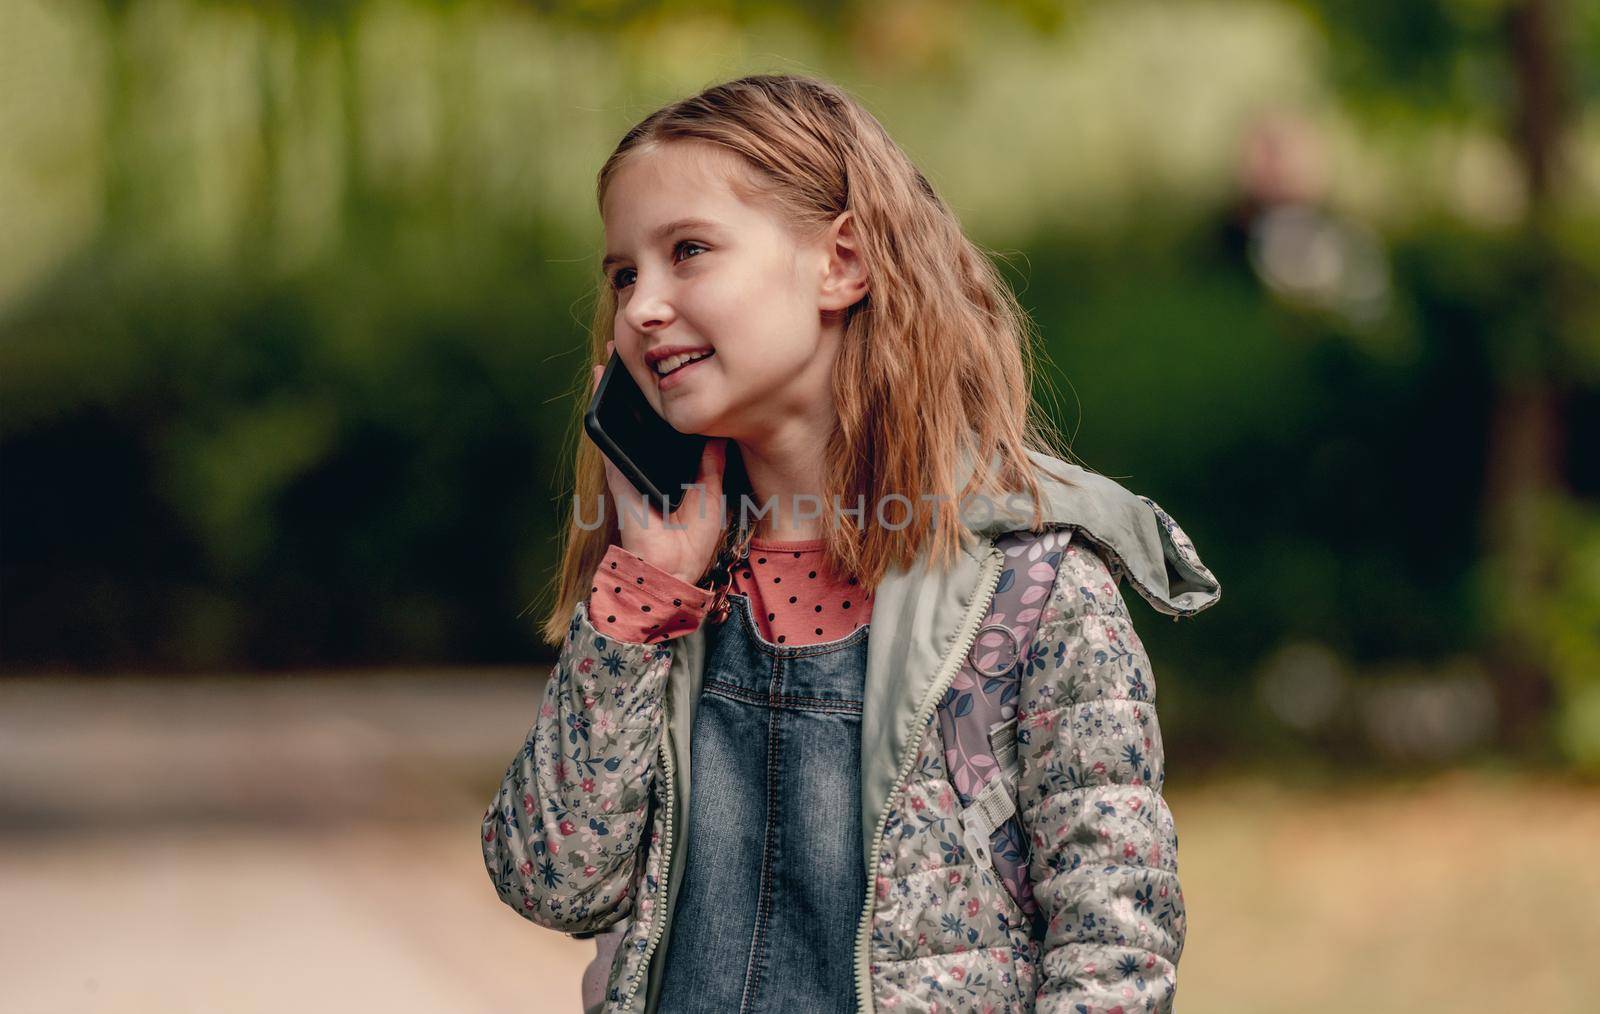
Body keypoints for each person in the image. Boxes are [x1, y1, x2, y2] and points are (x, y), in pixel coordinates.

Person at [481, 73, 1222, 1013]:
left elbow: (1114, 951)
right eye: (624, 273)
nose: (641, 308)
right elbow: (553, 882)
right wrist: (639, 602)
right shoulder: (668, 583)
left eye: (689, 252)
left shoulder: (1033, 582)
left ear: (842, 264)